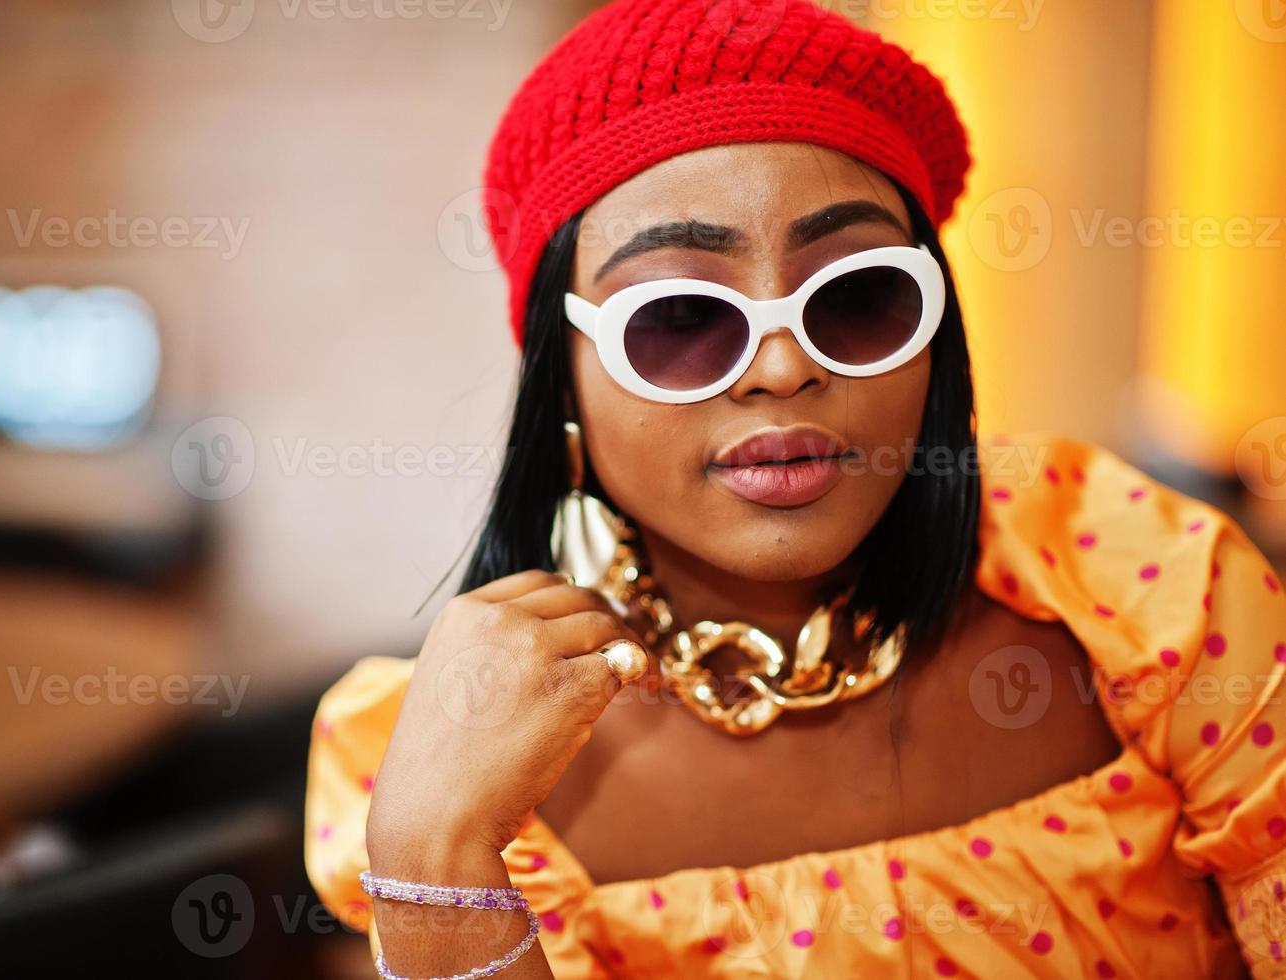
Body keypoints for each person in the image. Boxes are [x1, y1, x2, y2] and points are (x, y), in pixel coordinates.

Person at [305, 1, 1286, 975]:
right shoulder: (451, 754)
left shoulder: (1139, 582)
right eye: (680, 314)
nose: (780, 367)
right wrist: (439, 866)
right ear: (564, 372)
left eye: (859, 297)